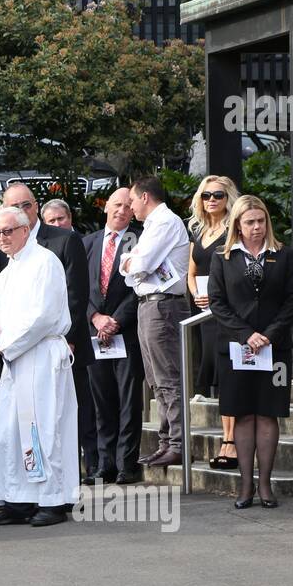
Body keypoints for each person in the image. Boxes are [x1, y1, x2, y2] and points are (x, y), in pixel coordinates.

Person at [0, 205, 79, 526]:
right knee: (12, 430)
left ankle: (53, 499)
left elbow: (43, 316)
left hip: (40, 356)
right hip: (16, 360)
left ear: (25, 229)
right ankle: (18, 498)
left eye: (8, 231)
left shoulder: (45, 262)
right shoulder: (8, 272)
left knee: (44, 429)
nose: (2, 238)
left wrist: (6, 343)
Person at [209, 196, 293, 509]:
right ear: (238, 224)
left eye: (261, 221)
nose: (257, 227)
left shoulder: (284, 255)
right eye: (250, 222)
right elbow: (217, 302)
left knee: (268, 412)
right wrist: (246, 334)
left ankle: (265, 485)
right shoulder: (223, 257)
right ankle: (245, 485)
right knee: (243, 413)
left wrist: (269, 336)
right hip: (236, 348)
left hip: (274, 349)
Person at [0, 183, 95, 477]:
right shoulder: (6, 253)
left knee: (58, 421)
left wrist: (67, 341)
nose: (20, 213)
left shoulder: (61, 242)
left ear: (35, 206)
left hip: (59, 347)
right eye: (12, 208)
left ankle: (67, 483)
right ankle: (24, 491)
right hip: (19, 356)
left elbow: (75, 294)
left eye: (25, 206)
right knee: (20, 427)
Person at [120, 176, 192, 469]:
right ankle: (167, 442)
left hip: (163, 306)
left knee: (168, 378)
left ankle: (178, 443)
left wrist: (132, 262)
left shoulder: (164, 222)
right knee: (156, 380)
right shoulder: (153, 225)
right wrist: (132, 263)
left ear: (146, 197)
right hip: (149, 305)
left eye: (132, 201)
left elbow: (139, 265)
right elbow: (133, 268)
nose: (130, 207)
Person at [84, 188, 144, 483]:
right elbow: (77, 287)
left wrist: (116, 320)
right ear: (105, 206)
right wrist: (94, 317)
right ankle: (104, 463)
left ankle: (126, 464)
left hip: (126, 332)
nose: (121, 210)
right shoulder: (88, 243)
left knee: (128, 400)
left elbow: (142, 286)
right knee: (101, 401)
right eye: (117, 204)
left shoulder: (141, 241)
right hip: (95, 334)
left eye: (127, 206)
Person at [186, 175, 240, 469]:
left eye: (217, 195)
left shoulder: (235, 229)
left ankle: (230, 441)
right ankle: (228, 437)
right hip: (207, 315)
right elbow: (191, 272)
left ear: (227, 197)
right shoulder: (199, 231)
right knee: (219, 380)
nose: (211, 200)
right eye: (206, 195)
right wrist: (196, 295)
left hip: (229, 314)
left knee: (230, 377)